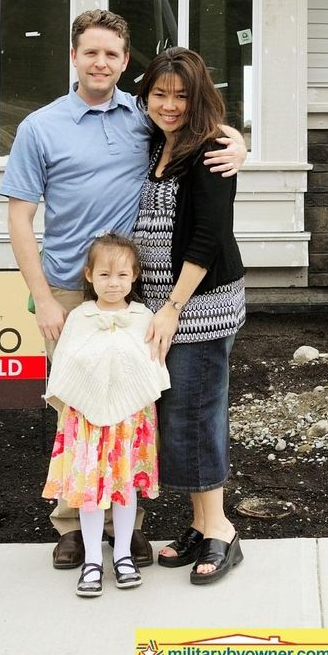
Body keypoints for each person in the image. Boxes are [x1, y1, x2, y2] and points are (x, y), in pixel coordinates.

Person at [0, 8, 246, 569]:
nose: (101, 62)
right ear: (73, 56)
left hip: (138, 293)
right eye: (91, 52)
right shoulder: (41, 126)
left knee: (137, 405)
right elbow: (19, 219)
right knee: (77, 411)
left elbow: (197, 124)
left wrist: (238, 143)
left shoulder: (140, 117)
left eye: (112, 54)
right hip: (68, 289)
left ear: (123, 60)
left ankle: (129, 523)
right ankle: (73, 526)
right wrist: (41, 298)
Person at [132, 47, 246, 586]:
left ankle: (221, 529)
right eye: (160, 93)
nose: (170, 104)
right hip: (159, 305)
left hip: (197, 305)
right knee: (177, 415)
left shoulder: (213, 149)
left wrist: (174, 307)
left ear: (198, 96)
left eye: (181, 95)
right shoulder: (157, 141)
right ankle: (201, 524)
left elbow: (207, 236)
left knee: (196, 413)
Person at [42, 233, 169, 597]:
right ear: (88, 275)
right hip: (87, 423)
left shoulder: (143, 316)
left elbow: (150, 365)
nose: (113, 284)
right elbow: (67, 364)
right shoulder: (80, 317)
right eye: (104, 275)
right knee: (90, 491)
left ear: (135, 276)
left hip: (129, 423)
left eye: (122, 276)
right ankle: (94, 560)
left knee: (125, 489)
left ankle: (124, 555)